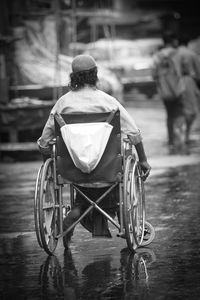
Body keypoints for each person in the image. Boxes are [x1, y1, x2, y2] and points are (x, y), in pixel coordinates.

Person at [37, 54, 151, 247]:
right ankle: (122, 219)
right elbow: (134, 133)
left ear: (73, 77)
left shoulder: (62, 104)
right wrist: (143, 160)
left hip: (72, 172)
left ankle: (78, 208)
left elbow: (44, 142)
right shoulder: (108, 102)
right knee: (123, 156)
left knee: (81, 182)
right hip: (108, 171)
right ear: (95, 75)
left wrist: (50, 166)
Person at [152, 31, 185, 153]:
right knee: (179, 114)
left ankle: (171, 140)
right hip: (178, 89)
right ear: (172, 41)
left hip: (164, 90)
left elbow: (153, 74)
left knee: (169, 115)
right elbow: (183, 70)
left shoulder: (157, 56)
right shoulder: (178, 54)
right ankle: (180, 139)